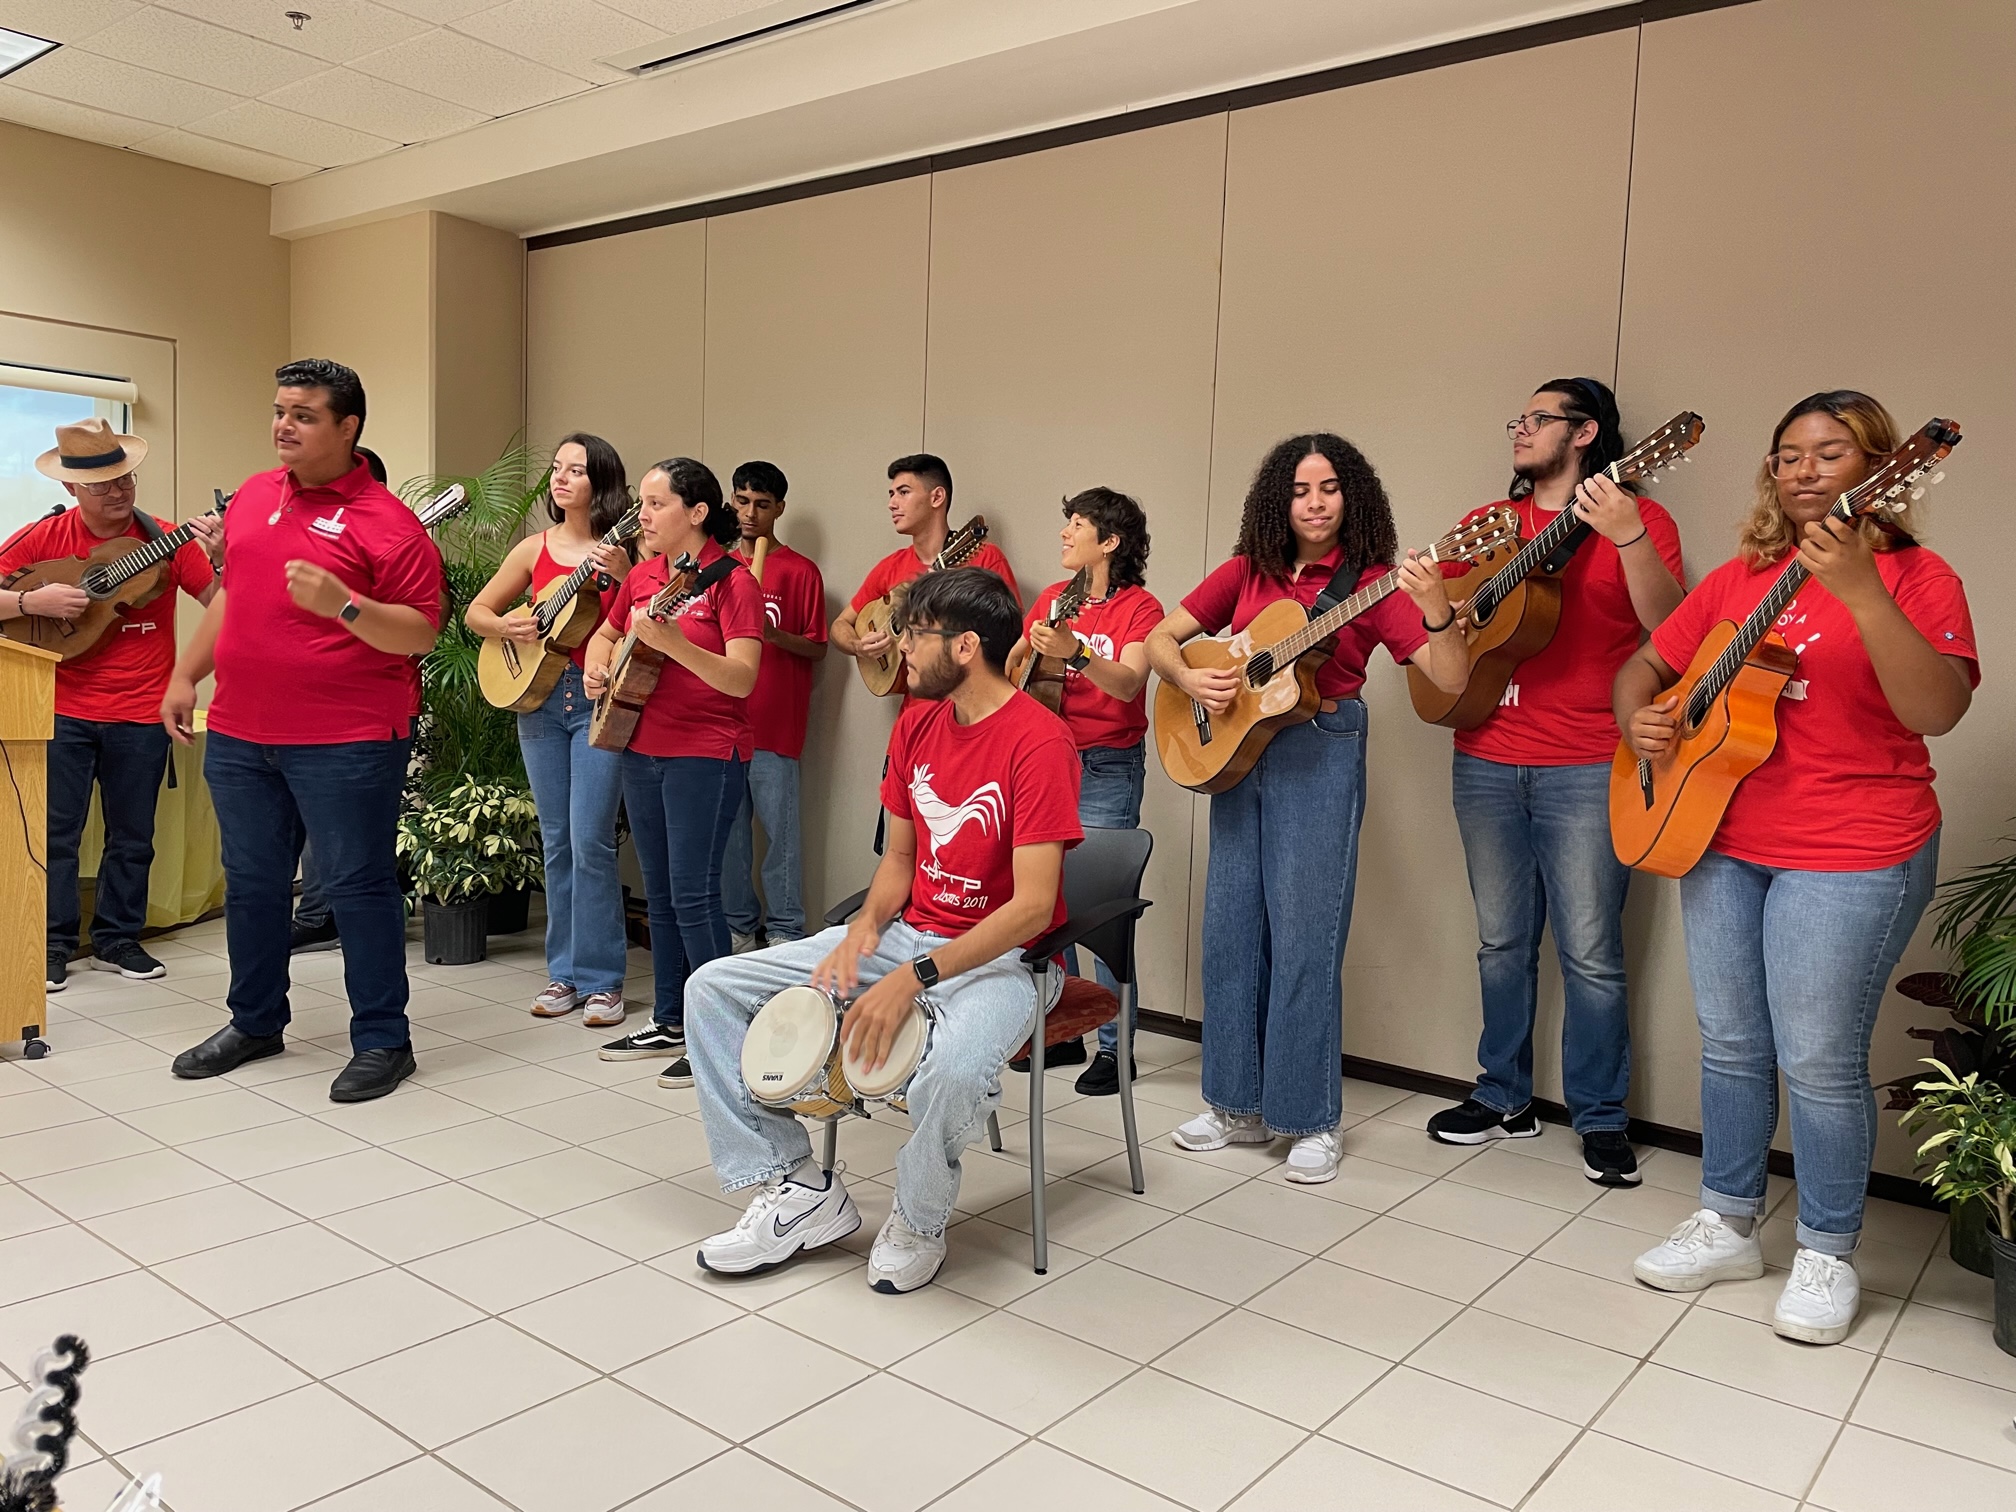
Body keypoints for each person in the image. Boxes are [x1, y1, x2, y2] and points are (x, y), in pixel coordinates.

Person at [1618, 391, 1976, 1344]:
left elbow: (1936, 710)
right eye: (1788, 455)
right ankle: (1729, 1220)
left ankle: (1825, 1249)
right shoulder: (1744, 578)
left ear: (1885, 469)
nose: (1805, 468)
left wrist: (1860, 590)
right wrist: (1639, 720)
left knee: (1818, 1057)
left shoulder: (1919, 577)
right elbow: (1642, 668)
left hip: (1856, 847)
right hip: (1721, 835)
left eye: (1831, 451)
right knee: (1730, 1040)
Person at [685, 568, 1081, 1293]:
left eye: (913, 633)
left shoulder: (1039, 742)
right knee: (711, 988)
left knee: (956, 1069)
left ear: (965, 647)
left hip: (1010, 959)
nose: (897, 645)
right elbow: (900, 858)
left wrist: (915, 977)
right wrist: (865, 929)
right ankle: (800, 1188)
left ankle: (920, 1218)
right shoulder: (916, 723)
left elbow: (1032, 907)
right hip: (906, 937)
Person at [1145, 433, 1469, 1184]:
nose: (1315, 503)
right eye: (1299, 490)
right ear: (1277, 501)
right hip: (1237, 757)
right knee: (1230, 932)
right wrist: (1193, 684)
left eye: (1328, 488)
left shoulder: (1377, 584)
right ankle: (1234, 1105)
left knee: (1304, 937)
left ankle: (1309, 1117)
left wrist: (1437, 610)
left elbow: (1448, 679)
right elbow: (1163, 638)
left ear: (1351, 497)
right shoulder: (1245, 573)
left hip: (1322, 745)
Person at [1423, 379, 1686, 1187]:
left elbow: (1674, 628)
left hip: (1585, 761)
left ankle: (1601, 1116)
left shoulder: (1640, 520)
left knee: (1592, 953)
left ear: (1585, 434)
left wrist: (1630, 536)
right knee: (1501, 942)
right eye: (1518, 418)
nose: (1520, 429)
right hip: (1485, 753)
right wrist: (1443, 605)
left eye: (1537, 419)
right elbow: (1441, 621)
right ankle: (1503, 1094)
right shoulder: (1489, 522)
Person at [163, 359, 444, 1103]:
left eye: (305, 414)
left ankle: (384, 1039)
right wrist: (186, 674)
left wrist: (345, 604)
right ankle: (255, 1021)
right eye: (280, 409)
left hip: (346, 739)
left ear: (348, 427)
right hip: (242, 733)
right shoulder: (256, 497)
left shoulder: (390, 524)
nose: (284, 425)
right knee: (253, 886)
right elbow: (232, 599)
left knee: (356, 887)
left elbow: (419, 632)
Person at [2, 419, 221, 991]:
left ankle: (117, 940)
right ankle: (51, 944)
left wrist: (225, 558)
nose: (119, 491)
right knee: (54, 835)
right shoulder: (44, 537)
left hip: (143, 709)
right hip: (61, 706)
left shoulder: (167, 538)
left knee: (133, 834)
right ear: (73, 490)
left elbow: (226, 606)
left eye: (125, 478)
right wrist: (32, 599)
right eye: (102, 484)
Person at [586, 458, 763, 1083]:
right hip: (642, 747)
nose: (643, 516)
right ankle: (670, 1017)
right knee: (658, 891)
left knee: (693, 892)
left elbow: (743, 678)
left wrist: (676, 646)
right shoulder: (642, 577)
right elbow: (606, 637)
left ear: (695, 512)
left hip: (707, 753)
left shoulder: (732, 581)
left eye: (656, 504)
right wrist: (597, 664)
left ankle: (718, 1031)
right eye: (641, 503)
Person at [465, 434, 634, 1025]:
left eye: (576, 471)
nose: (560, 480)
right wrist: (508, 630)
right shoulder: (533, 549)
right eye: (558, 469)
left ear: (602, 483)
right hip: (537, 701)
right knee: (558, 843)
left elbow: (638, 618)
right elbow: (476, 613)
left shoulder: (621, 551)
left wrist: (622, 574)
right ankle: (562, 974)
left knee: (591, 842)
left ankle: (604, 980)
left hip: (594, 701)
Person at [1004, 486, 1162, 1095]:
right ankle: (1059, 1031)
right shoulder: (1052, 598)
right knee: (1046, 904)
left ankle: (1114, 1049)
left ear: (1110, 541)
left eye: (1077, 524)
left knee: (1101, 911)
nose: (1066, 533)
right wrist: (1027, 649)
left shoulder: (1141, 609)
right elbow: (1016, 667)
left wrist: (1074, 655)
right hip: (1048, 765)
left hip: (1107, 765)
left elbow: (1125, 685)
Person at [721, 461, 827, 954]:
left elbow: (818, 645)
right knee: (729, 840)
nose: (750, 513)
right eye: (742, 501)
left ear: (779, 508)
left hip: (775, 727)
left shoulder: (800, 570)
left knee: (781, 838)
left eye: (762, 504)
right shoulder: (717, 567)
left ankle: (785, 931)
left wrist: (772, 635)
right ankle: (739, 928)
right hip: (722, 726)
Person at [290, 445, 392, 956]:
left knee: (353, 846)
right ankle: (313, 915)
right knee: (305, 828)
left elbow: (419, 630)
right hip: (303, 710)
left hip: (367, 716)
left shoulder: (398, 544)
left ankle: (334, 921)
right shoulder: (310, 547)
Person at [830, 454, 1022, 678]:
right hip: (913, 706)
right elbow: (839, 625)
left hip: (972, 703)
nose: (892, 504)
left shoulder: (985, 558)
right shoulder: (890, 567)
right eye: (892, 494)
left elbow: (1013, 634)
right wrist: (858, 646)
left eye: (903, 492)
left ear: (937, 497)